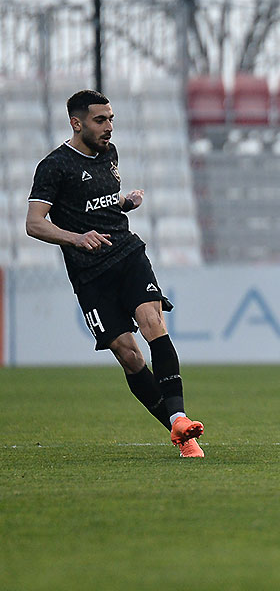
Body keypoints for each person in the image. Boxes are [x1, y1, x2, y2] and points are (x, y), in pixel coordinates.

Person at [25, 89, 205, 458]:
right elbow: (34, 223)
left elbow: (100, 202)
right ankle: (179, 432)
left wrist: (125, 202)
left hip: (127, 254)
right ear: (76, 123)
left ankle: (181, 420)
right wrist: (76, 238)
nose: (108, 127)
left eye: (111, 119)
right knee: (129, 355)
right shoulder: (55, 166)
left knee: (153, 322)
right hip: (90, 274)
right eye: (100, 120)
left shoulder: (110, 154)